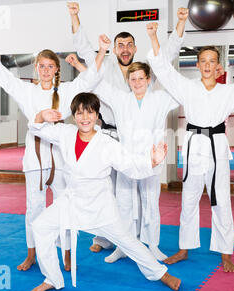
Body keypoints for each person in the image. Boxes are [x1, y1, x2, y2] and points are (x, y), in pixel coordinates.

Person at [146, 21, 234, 272]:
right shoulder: (187, 87)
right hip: (193, 146)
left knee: (221, 200)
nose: (208, 65)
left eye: (212, 61)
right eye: (203, 61)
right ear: (198, 65)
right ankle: (184, 248)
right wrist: (154, 37)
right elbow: (164, 70)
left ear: (217, 65)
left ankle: (225, 253)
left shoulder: (228, 92)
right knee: (188, 199)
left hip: (217, 147)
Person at [67, 2, 188, 258]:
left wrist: (176, 26)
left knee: (150, 202)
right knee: (119, 199)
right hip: (118, 147)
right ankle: (122, 244)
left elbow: (167, 60)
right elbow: (94, 77)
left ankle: (152, 245)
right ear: (115, 48)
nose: (136, 82)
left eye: (140, 78)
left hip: (151, 154)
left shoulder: (158, 94)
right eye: (120, 45)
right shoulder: (118, 91)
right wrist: (75, 18)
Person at [29, 92, 181, 291]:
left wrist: (152, 161)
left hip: (100, 206)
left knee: (128, 242)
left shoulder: (107, 143)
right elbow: (37, 128)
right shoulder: (65, 133)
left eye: (90, 112)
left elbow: (130, 164)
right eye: (80, 113)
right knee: (40, 226)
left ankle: (161, 273)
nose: (85, 118)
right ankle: (52, 278)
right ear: (74, 116)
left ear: (97, 115)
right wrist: (41, 115)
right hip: (71, 201)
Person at [0, 30, 103, 272]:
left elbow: (89, 80)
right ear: (36, 68)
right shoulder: (28, 91)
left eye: (50, 66)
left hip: (60, 157)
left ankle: (66, 253)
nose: (46, 70)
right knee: (34, 208)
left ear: (57, 69)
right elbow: (3, 77)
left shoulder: (65, 92)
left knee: (64, 206)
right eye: (42, 66)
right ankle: (31, 253)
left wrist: (100, 52)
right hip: (35, 158)